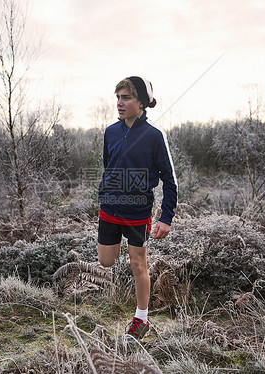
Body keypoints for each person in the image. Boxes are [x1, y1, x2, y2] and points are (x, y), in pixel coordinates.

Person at [97, 76, 178, 340]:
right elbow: (109, 166)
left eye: (126, 97)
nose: (119, 103)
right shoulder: (110, 132)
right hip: (110, 208)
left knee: (137, 264)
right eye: (117, 97)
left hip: (137, 213)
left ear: (141, 102)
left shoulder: (154, 136)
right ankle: (121, 245)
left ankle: (140, 319)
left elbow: (170, 179)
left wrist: (165, 218)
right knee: (106, 261)